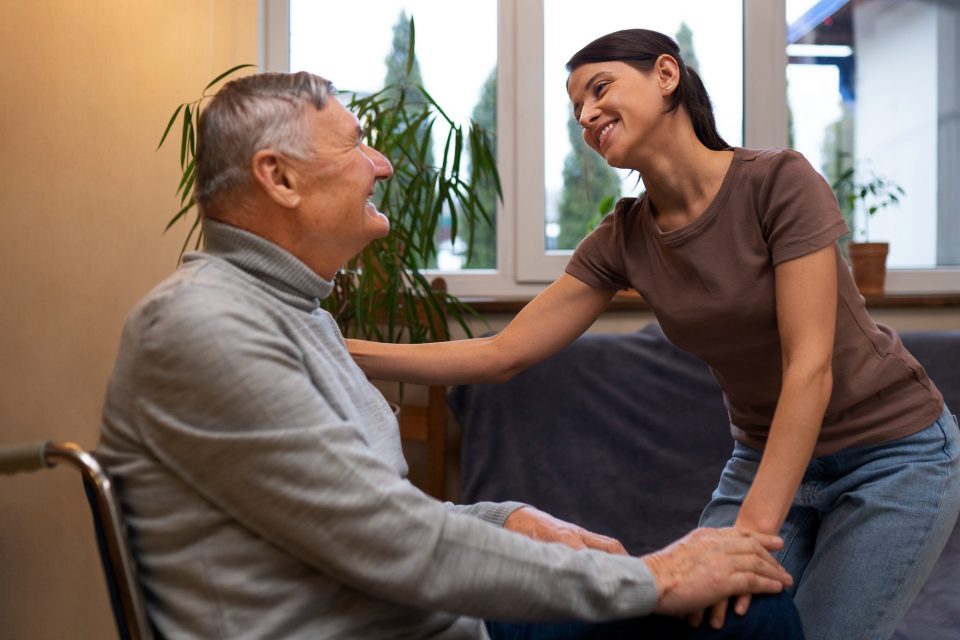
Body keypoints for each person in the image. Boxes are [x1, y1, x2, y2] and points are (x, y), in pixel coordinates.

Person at [96, 71, 802, 640]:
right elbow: (392, 543)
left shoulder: (293, 314)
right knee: (749, 617)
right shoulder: (206, 325)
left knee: (745, 607)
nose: (382, 165)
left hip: (429, 619)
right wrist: (655, 578)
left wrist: (505, 518)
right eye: (357, 145)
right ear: (279, 178)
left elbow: (368, 519)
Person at [347, 29, 960, 640]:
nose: (586, 116)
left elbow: (810, 368)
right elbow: (501, 353)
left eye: (600, 88)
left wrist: (746, 537)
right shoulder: (623, 238)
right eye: (577, 109)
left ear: (666, 75)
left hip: (891, 454)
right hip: (765, 455)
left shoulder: (778, 182)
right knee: (703, 627)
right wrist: (337, 347)